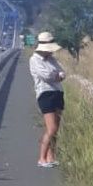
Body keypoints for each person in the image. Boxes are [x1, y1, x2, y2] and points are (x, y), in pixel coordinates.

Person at [29, 31, 66, 168]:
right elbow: (47, 76)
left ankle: (51, 156)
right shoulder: (34, 59)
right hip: (45, 94)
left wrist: (57, 75)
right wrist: (57, 75)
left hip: (57, 92)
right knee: (51, 128)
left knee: (56, 128)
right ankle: (42, 158)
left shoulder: (52, 59)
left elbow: (62, 72)